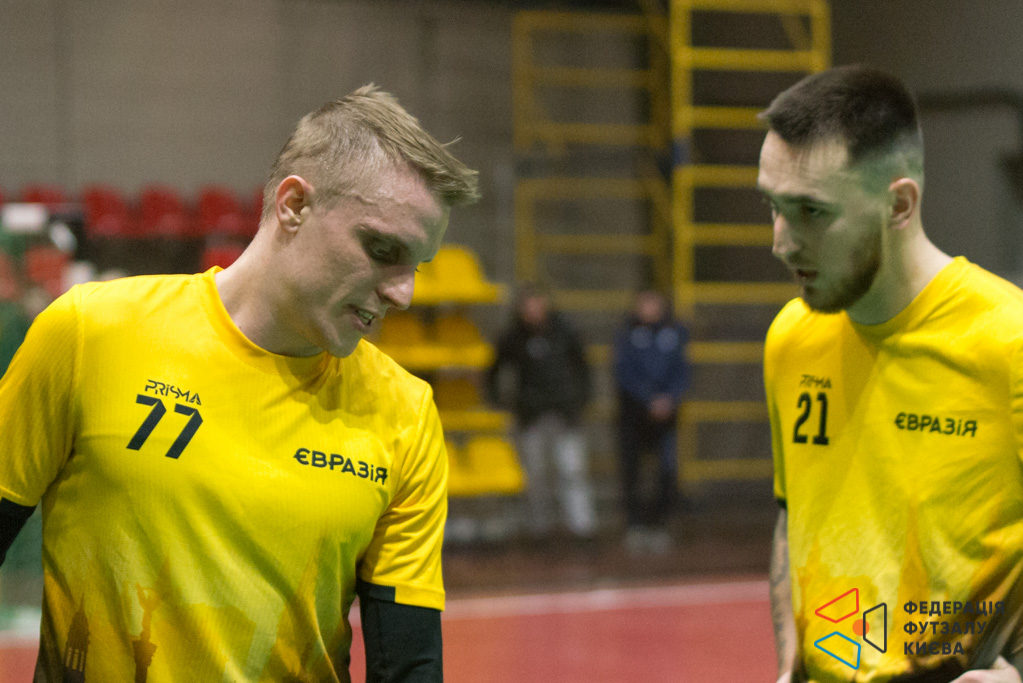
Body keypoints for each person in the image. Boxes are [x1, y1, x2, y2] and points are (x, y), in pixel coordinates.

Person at [0, 85, 479, 682]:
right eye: (383, 249)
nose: (402, 293)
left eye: (417, 266)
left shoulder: (405, 412)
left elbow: (408, 667)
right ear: (294, 205)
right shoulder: (87, 333)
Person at [761, 65, 1023, 683]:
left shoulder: (1007, 343)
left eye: (811, 211)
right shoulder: (791, 339)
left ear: (899, 204)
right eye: (773, 206)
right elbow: (794, 516)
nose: (781, 242)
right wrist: (788, 663)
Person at [486, 284, 597, 541]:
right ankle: (539, 529)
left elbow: (583, 367)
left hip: (565, 412)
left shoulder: (565, 331)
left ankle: (582, 528)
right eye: (528, 306)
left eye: (537, 304)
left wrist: (582, 399)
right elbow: (494, 369)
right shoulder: (513, 336)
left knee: (572, 470)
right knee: (534, 475)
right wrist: (500, 400)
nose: (533, 311)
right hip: (530, 415)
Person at [612, 289, 689, 554]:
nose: (649, 308)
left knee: (666, 470)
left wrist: (669, 399)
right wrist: (647, 399)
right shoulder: (627, 334)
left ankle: (661, 524)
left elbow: (682, 370)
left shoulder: (675, 332)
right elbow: (624, 372)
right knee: (632, 472)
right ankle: (635, 526)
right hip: (633, 416)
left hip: (666, 418)